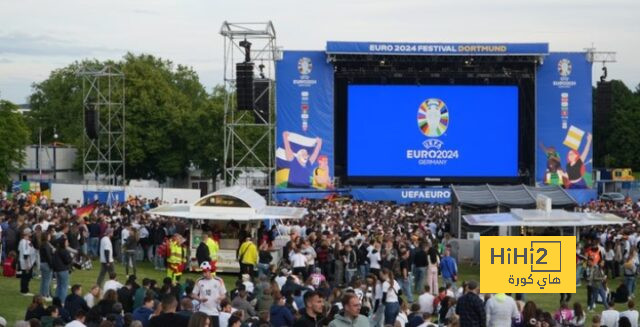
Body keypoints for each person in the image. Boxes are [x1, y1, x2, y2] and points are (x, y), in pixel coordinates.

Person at [192, 261, 226, 327]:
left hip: (215, 311)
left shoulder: (219, 280)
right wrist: (200, 299)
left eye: (205, 271)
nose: (204, 274)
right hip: (203, 310)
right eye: (203, 272)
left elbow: (224, 295)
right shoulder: (199, 281)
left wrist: (220, 298)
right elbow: (194, 294)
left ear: (210, 271)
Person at [53, 236, 73, 302]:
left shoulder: (57, 250)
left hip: (57, 270)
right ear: (63, 243)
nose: (68, 243)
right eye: (66, 242)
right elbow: (68, 260)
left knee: (59, 286)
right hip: (63, 270)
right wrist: (71, 257)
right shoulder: (64, 251)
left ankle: (56, 300)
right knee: (64, 287)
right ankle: (63, 301)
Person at [19, 228, 36, 295]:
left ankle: (25, 289)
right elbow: (25, 254)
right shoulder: (24, 242)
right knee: (25, 276)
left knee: (26, 276)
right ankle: (24, 291)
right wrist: (27, 265)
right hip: (26, 262)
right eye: (30, 232)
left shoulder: (26, 241)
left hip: (28, 262)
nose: (31, 234)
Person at [39, 232, 55, 301]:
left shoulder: (43, 244)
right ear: (46, 237)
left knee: (44, 280)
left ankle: (42, 294)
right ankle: (46, 295)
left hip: (42, 263)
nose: (50, 236)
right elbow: (48, 256)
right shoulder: (46, 245)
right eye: (49, 235)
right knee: (47, 280)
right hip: (46, 264)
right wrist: (51, 265)